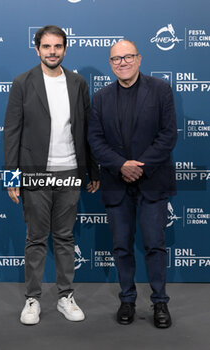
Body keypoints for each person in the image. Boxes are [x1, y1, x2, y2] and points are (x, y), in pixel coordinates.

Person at [4, 25, 99, 325]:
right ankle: (32, 299)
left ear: (65, 49)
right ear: (37, 49)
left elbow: (87, 130)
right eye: (47, 47)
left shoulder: (78, 82)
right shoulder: (23, 82)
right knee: (35, 239)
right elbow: (12, 132)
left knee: (65, 237)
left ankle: (65, 296)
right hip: (34, 173)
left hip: (70, 172)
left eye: (58, 46)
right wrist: (11, 177)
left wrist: (92, 170)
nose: (52, 51)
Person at [88, 40, 177, 328]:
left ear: (139, 58)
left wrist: (139, 166)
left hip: (152, 180)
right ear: (110, 63)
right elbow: (95, 140)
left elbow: (167, 136)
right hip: (116, 182)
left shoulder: (161, 90)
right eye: (116, 59)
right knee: (121, 246)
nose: (122, 62)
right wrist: (120, 165)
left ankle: (160, 303)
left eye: (128, 57)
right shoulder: (100, 97)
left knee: (154, 245)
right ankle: (127, 300)